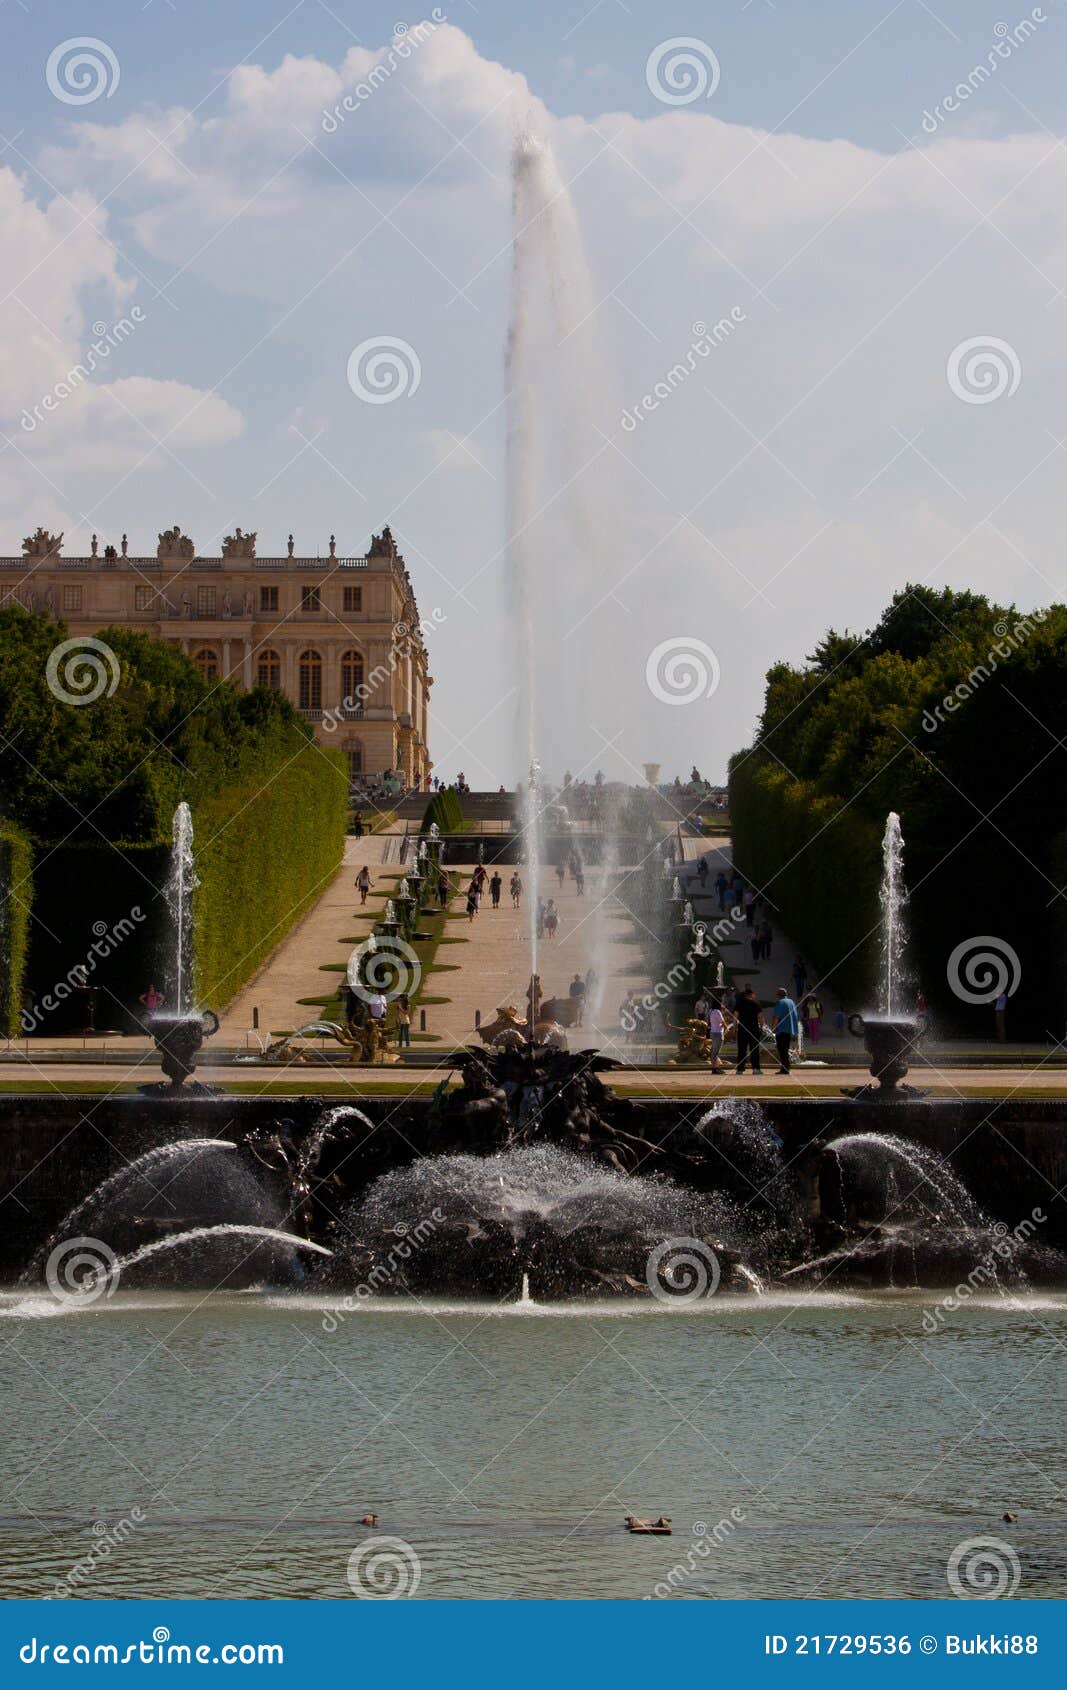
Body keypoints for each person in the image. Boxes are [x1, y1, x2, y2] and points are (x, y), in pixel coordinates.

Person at [734, 985, 765, 1075]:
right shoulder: (756, 1004)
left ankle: (740, 1069)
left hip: (742, 1029)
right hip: (753, 1029)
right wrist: (761, 1027)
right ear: (751, 994)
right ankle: (755, 1069)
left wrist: (734, 1028)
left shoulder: (739, 1003)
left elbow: (735, 1016)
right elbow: (760, 1017)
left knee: (741, 1050)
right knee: (754, 1049)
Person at [771, 987, 799, 1075]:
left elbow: (776, 1016)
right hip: (789, 1029)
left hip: (781, 1029)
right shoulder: (791, 1002)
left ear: (778, 995)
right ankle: (787, 1067)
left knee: (782, 1049)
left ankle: (785, 1068)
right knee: (786, 1049)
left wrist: (773, 1028)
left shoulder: (780, 1002)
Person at [708, 999, 729, 1074]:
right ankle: (716, 1068)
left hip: (713, 1032)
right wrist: (727, 1028)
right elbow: (722, 1022)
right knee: (715, 1052)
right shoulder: (717, 1011)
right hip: (718, 1033)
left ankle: (714, 1068)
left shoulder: (711, 1011)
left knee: (713, 1051)